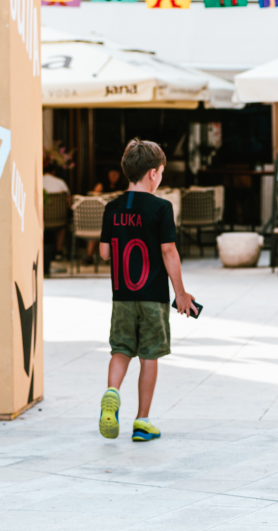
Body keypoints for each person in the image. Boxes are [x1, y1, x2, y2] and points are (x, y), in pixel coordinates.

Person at [97, 139, 197, 442]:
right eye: (162, 173)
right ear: (153, 173)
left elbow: (104, 253)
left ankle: (112, 392)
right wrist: (181, 294)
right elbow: (169, 251)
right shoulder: (161, 208)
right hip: (153, 297)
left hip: (122, 297)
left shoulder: (112, 208)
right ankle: (142, 421)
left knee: (121, 349)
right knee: (149, 356)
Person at [42, 165, 70, 257]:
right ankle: (59, 250)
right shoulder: (61, 182)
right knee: (63, 224)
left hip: (42, 218)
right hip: (59, 219)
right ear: (53, 172)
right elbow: (68, 202)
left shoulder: (38, 182)